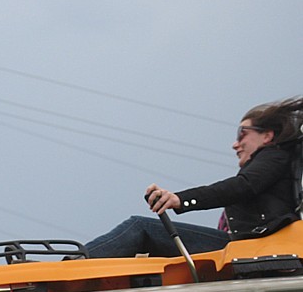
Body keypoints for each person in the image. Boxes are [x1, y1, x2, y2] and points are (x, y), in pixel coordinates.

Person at [84, 96, 303, 258]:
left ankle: (74, 264)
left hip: (252, 247)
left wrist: (180, 200)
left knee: (141, 228)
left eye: (242, 133)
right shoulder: (274, 164)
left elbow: (240, 186)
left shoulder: (274, 156)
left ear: (267, 136)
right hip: (248, 245)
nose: (235, 144)